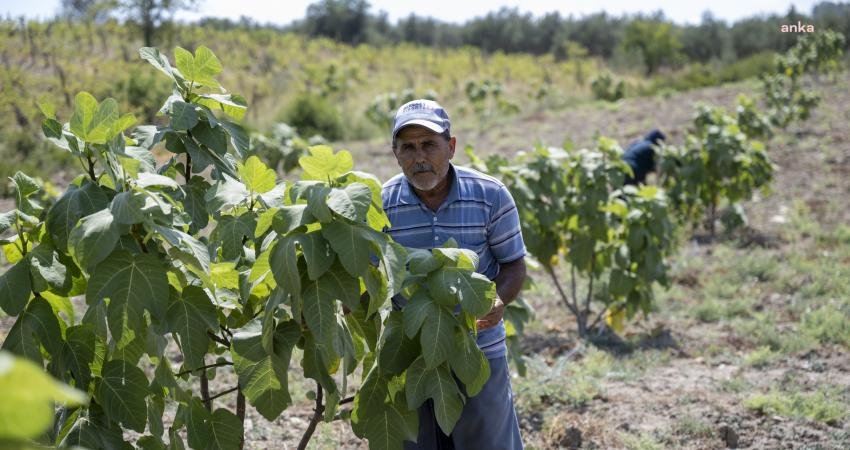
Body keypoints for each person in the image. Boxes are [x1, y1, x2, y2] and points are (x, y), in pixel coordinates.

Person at [381, 99, 526, 450]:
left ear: (451, 146)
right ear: (396, 154)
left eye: (429, 144)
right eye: (408, 147)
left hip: (475, 348)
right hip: (411, 354)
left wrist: (497, 299)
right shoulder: (381, 204)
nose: (420, 157)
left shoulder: (491, 195)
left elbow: (513, 264)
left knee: (488, 444)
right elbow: (370, 277)